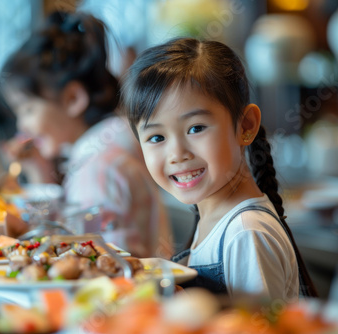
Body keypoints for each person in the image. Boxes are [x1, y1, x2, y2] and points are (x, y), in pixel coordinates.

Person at [120, 37, 317, 300]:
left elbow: (256, 328)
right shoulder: (215, 220)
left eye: (196, 128)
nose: (177, 154)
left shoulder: (246, 234)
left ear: (245, 126)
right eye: (157, 137)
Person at [1, 11, 173, 258]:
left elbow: (107, 262)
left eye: (28, 109)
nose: (22, 125)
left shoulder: (100, 168)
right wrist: (38, 169)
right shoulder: (107, 147)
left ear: (73, 99)